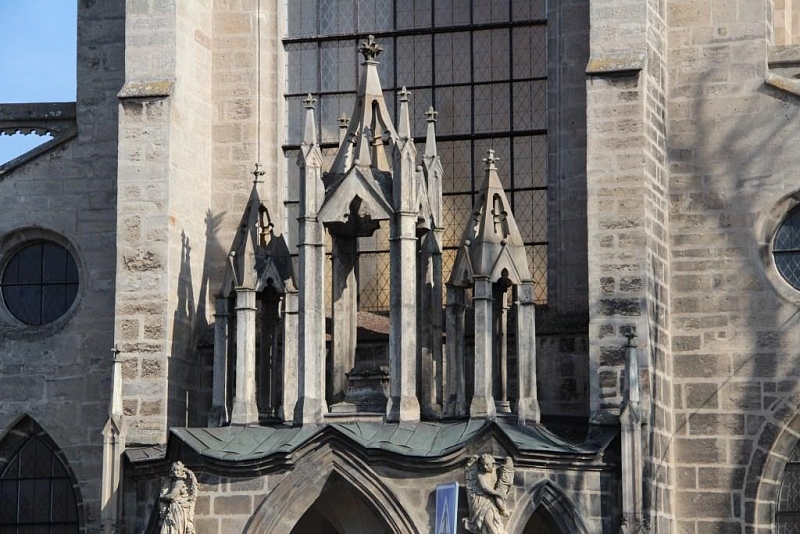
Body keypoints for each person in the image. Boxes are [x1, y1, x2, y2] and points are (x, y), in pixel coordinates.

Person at [159, 461, 196, 534]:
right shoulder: (174, 481)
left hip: (177, 509)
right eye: (175, 470)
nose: (177, 472)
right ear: (172, 471)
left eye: (179, 470)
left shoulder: (179, 481)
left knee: (174, 528)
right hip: (174, 509)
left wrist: (163, 497)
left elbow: (172, 496)